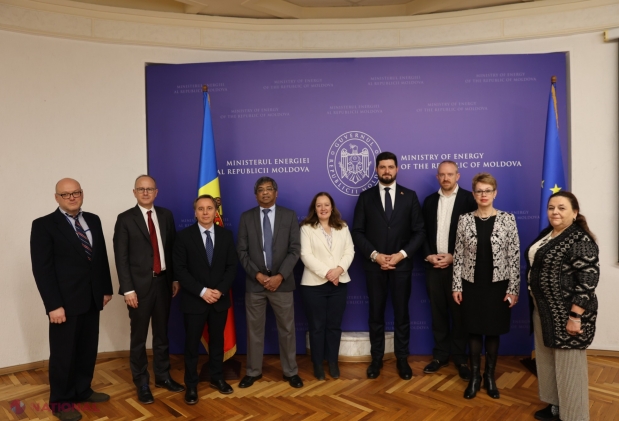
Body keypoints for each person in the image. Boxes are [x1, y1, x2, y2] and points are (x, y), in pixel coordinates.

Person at [30, 178, 114, 421]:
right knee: (63, 355)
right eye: (66, 194)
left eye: (76, 192)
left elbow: (100, 258)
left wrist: (105, 288)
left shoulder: (93, 220)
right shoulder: (44, 225)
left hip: (92, 298)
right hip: (64, 304)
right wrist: (53, 305)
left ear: (82, 193)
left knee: (87, 350)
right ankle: (60, 402)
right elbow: (42, 270)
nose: (72, 197)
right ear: (56, 198)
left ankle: (82, 390)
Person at [352, 151, 425, 380]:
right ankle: (376, 359)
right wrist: (375, 255)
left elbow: (419, 232)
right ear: (376, 170)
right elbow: (358, 232)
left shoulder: (409, 196)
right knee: (376, 314)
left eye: (390, 167)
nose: (386, 171)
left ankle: (402, 359)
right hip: (374, 267)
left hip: (401, 267)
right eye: (382, 167)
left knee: (402, 314)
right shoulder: (366, 197)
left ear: (397, 169)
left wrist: (400, 255)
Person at [526, 191, 599, 421]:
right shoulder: (548, 234)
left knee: (569, 366)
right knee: (546, 359)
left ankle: (574, 415)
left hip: (568, 313)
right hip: (544, 309)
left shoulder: (580, 240)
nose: (555, 212)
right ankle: (555, 406)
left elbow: (588, 281)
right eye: (551, 208)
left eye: (561, 208)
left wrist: (575, 316)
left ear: (575, 212)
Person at [113, 175, 184, 404]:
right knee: (139, 337)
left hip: (163, 283)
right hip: (138, 288)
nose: (145, 193)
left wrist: (174, 278)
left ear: (156, 192)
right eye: (141, 189)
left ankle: (162, 377)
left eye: (149, 189)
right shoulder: (125, 219)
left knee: (162, 334)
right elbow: (121, 258)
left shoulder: (166, 215)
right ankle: (142, 382)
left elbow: (172, 249)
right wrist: (128, 290)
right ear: (134, 192)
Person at [452, 172, 520, 400]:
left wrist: (513, 289)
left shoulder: (507, 219)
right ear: (473, 194)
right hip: (470, 283)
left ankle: (489, 376)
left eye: (487, 190)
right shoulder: (464, 220)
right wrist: (456, 285)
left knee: (492, 330)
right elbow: (458, 255)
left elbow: (514, 256)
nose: (483, 195)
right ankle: (474, 377)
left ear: (495, 193)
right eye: (479, 191)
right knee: (473, 329)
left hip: (497, 285)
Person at [236, 177, 303, 389]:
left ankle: (291, 372)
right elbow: (242, 251)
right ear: (256, 195)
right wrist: (257, 275)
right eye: (261, 190)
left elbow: (295, 249)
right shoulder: (246, 217)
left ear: (276, 193)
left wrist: (280, 276)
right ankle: (253, 371)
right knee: (254, 331)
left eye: (269, 189)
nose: (265, 192)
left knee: (287, 330)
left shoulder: (289, 215)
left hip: (282, 283)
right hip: (255, 283)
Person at [173, 195, 238, 402]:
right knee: (192, 345)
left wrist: (219, 290)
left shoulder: (226, 235)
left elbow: (232, 267)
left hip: (219, 299)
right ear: (195, 212)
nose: (205, 212)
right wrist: (202, 291)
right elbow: (180, 270)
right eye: (201, 209)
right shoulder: (184, 237)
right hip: (194, 300)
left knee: (217, 342)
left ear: (215, 211)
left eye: (209, 208)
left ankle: (217, 378)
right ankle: (191, 385)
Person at [421, 161, 477, 380]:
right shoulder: (429, 201)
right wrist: (428, 255)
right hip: (433, 266)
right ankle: (440, 355)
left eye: (450, 174)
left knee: (459, 315)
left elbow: (474, 236)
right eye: (442, 175)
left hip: (460, 268)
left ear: (458, 176)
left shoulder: (469, 200)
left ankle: (460, 358)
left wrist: (454, 256)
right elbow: (421, 232)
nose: (446, 178)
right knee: (438, 314)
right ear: (437, 177)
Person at [300, 192, 355, 380]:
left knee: (334, 326)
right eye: (319, 205)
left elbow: (350, 251)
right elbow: (306, 255)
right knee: (316, 327)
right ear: (314, 209)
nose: (323, 208)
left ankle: (332, 362)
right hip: (313, 285)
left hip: (339, 283)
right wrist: (328, 273)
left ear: (332, 207)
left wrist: (338, 270)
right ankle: (317, 364)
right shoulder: (306, 228)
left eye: (326, 204)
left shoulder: (343, 227)